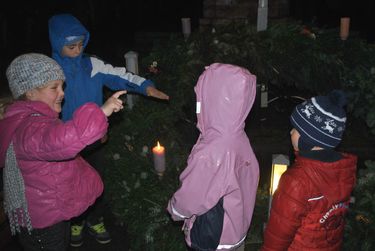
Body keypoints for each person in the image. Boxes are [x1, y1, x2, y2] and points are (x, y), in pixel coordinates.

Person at [48, 13, 169, 246]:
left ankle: (95, 219)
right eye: (71, 46)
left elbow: (119, 75)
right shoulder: (51, 72)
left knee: (95, 181)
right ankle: (75, 221)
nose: (77, 50)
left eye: (81, 44)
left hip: (94, 140)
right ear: (57, 43)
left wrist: (146, 87)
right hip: (64, 142)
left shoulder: (92, 64)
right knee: (69, 184)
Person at [0, 53, 126, 250]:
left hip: (49, 214)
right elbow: (60, 140)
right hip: (44, 224)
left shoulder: (31, 120)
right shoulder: (30, 128)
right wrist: (102, 112)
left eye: (61, 86)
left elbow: (55, 150)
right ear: (30, 92)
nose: (62, 93)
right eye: (54, 88)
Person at [167, 63, 260, 251]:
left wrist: (175, 209)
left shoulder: (213, 150)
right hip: (235, 230)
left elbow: (193, 195)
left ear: (210, 100)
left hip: (214, 237)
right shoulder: (238, 137)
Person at [261, 90, 357, 250]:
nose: (291, 132)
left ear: (308, 140)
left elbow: (279, 233)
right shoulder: (344, 171)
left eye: (296, 129)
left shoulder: (297, 181)